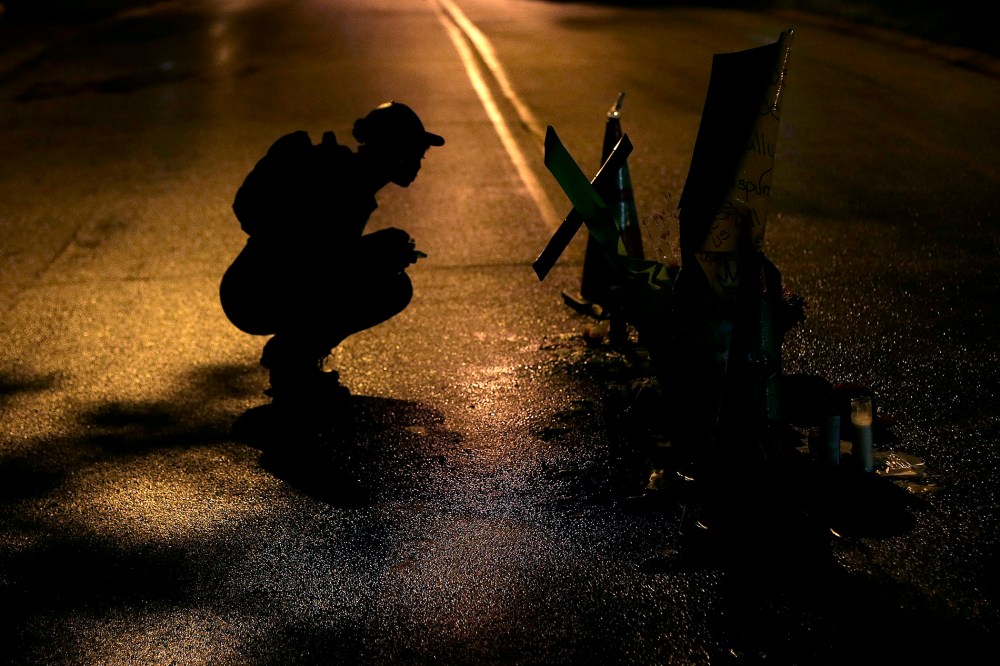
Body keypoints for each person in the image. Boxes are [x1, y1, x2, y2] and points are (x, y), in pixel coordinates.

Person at [220, 101, 444, 405]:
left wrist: (375, 250)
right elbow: (315, 260)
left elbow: (322, 258)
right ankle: (292, 362)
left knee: (387, 275)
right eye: (414, 151)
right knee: (393, 287)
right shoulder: (341, 181)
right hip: (255, 293)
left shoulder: (352, 179)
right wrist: (376, 249)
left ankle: (295, 358)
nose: (419, 161)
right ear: (392, 150)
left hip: (259, 286)